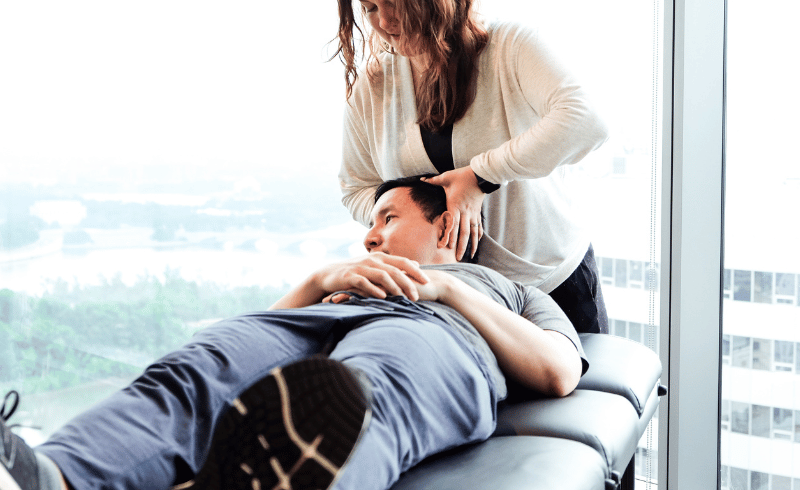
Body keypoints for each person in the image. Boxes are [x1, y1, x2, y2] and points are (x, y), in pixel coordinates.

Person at [1, 176, 586, 490]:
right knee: (202, 366)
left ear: (447, 225)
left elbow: (558, 371)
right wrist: (318, 281)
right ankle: (52, 476)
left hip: (431, 332)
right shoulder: (341, 277)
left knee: (357, 396)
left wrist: (446, 290)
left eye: (389, 218)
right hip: (326, 315)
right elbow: (256, 328)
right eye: (370, 225)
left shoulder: (505, 291)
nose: (371, 237)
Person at [335, 0, 611, 333]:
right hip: (449, 301)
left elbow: (586, 122)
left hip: (550, 284)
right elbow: (356, 187)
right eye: (369, 7)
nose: (384, 23)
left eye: (395, 1)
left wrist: (480, 177)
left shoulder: (509, 47)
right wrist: (424, 213)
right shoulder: (373, 88)